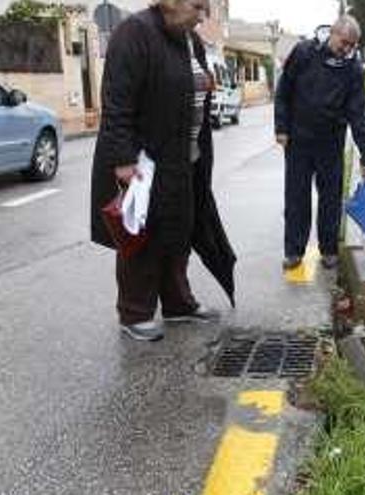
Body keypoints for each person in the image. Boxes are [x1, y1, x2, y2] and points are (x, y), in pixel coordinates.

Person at [90, 0, 236, 342]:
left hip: (184, 158)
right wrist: (123, 159)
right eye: (197, 7)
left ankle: (178, 303)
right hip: (145, 161)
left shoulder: (191, 40)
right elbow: (117, 101)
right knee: (141, 235)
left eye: (205, 10)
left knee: (179, 231)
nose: (201, 17)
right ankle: (134, 311)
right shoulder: (135, 33)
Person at [274, 15, 365, 271]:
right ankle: (294, 251)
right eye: (344, 43)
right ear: (332, 33)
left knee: (331, 198)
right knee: (297, 197)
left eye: (353, 46)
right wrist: (281, 127)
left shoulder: (352, 69)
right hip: (298, 140)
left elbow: (358, 113)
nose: (348, 50)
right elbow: (284, 91)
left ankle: (328, 249)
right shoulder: (304, 52)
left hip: (331, 143)